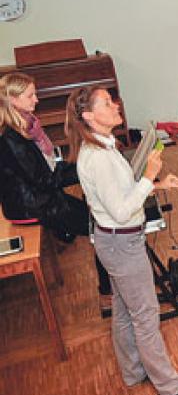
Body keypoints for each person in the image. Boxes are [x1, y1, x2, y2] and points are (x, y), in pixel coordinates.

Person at [65, 86, 178, 395]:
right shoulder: (99, 157)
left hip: (113, 242)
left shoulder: (102, 146)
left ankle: (133, 372)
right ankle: (170, 387)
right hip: (122, 245)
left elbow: (119, 193)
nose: (115, 105)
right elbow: (121, 210)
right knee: (145, 316)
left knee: (123, 309)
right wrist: (149, 176)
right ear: (89, 116)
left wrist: (156, 184)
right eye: (107, 103)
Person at [0, 73, 112, 314]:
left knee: (97, 218)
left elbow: (46, 171)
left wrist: (79, 165)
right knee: (102, 226)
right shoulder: (11, 139)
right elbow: (45, 180)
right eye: (30, 95)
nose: (36, 100)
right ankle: (107, 293)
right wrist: (83, 169)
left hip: (38, 196)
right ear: (13, 100)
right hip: (30, 205)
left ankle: (68, 235)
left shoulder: (23, 127)